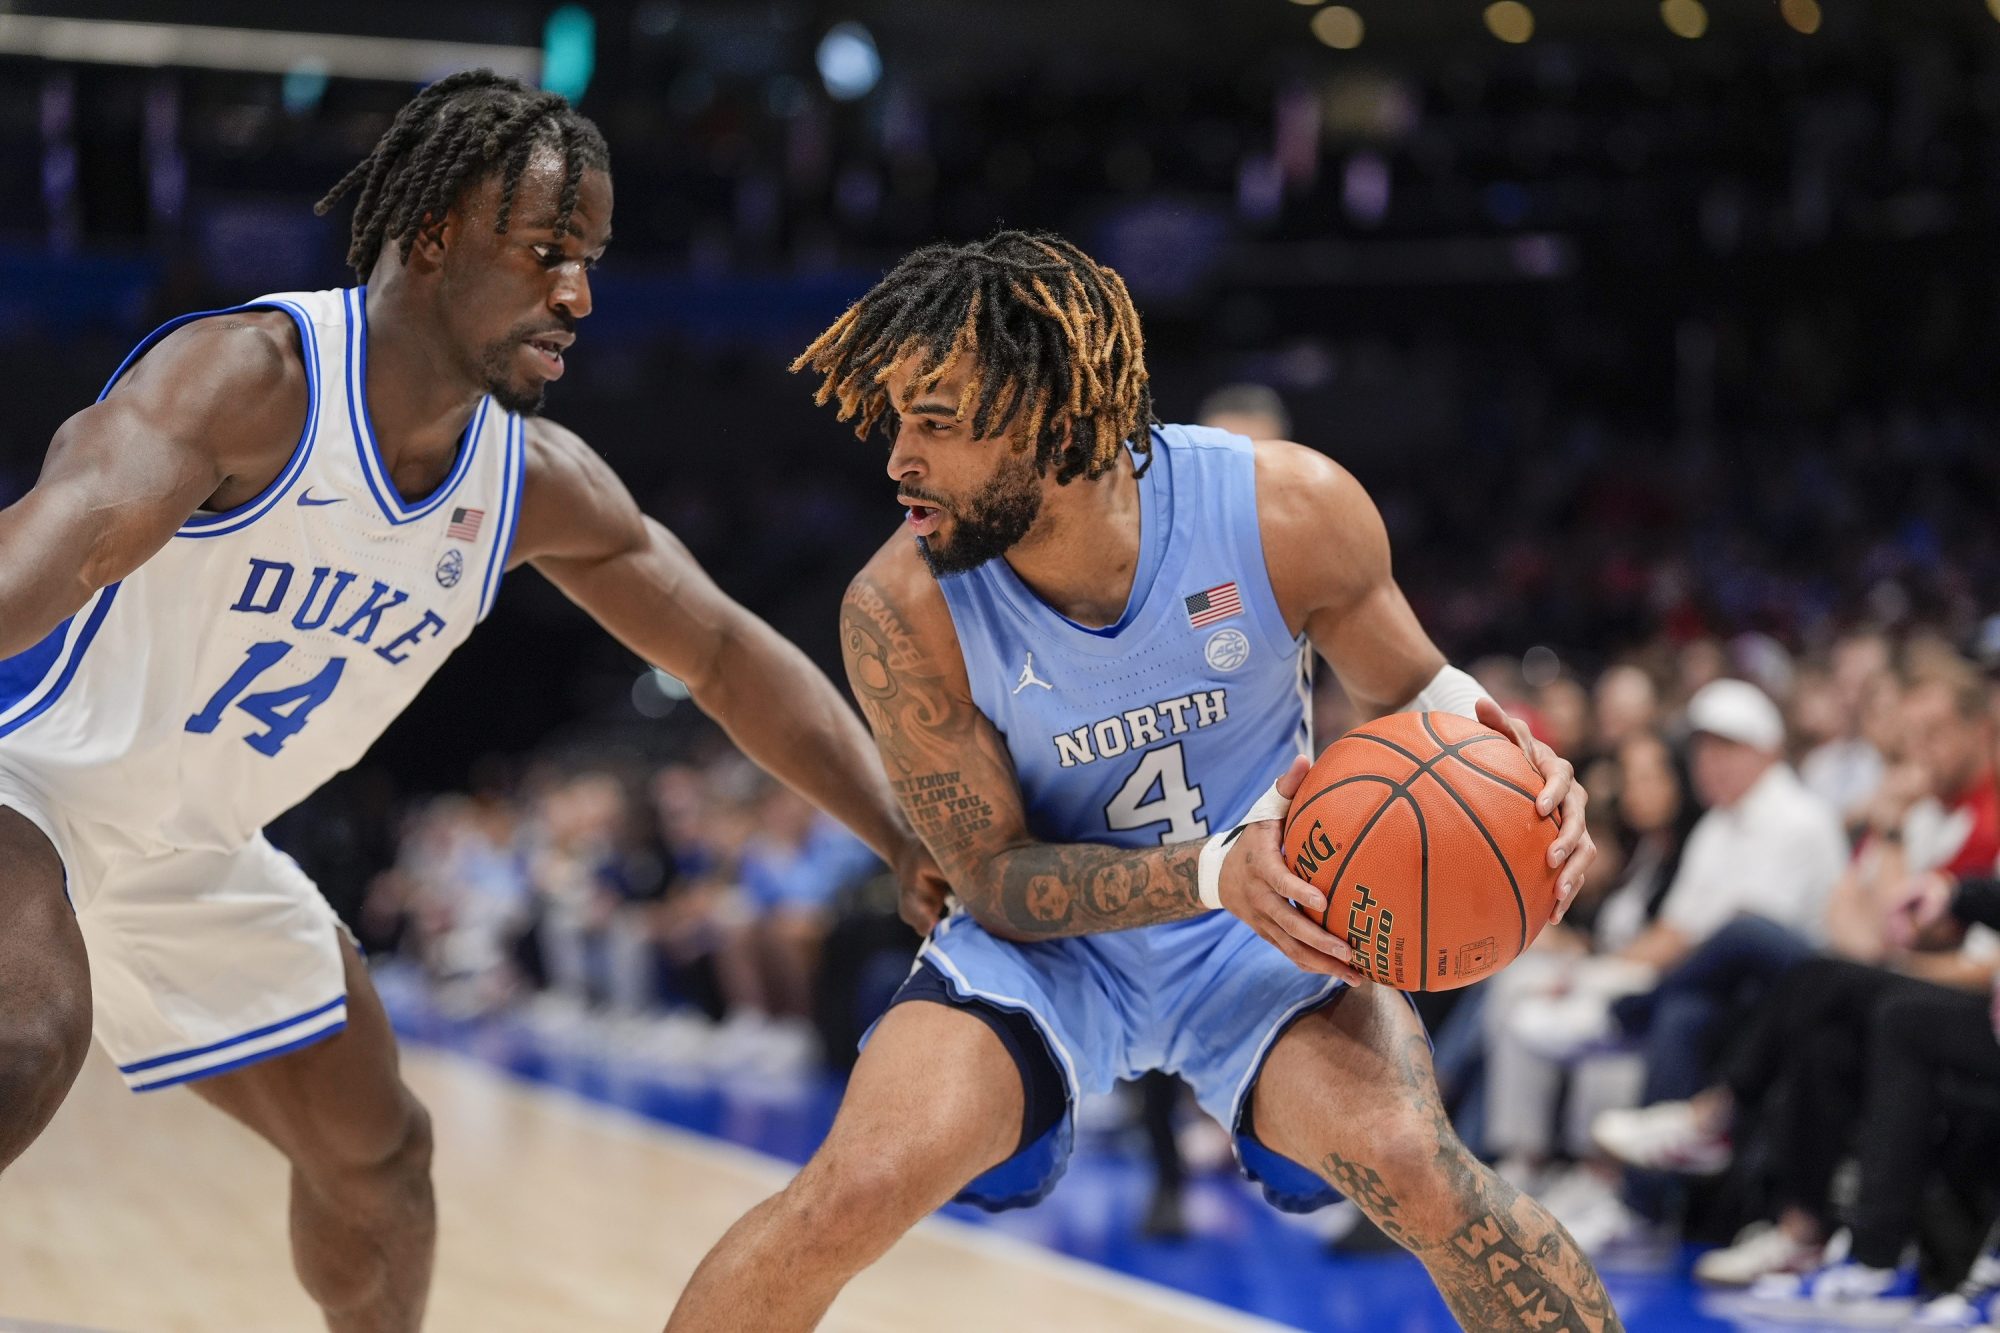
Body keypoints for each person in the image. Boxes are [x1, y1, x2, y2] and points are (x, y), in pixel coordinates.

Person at [0, 71, 939, 1332]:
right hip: (30, 786)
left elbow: (722, 653)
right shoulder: (246, 380)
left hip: (198, 847)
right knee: (23, 1037)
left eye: (589, 260)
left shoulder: (531, 482)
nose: (579, 296)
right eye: (549, 251)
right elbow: (47, 549)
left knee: (382, 1160)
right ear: (433, 233)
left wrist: (896, 830)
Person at [668, 231, 1623, 1332]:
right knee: (849, 1192)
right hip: (1053, 950)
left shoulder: (1283, 509)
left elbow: (1419, 696)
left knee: (1420, 1167)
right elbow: (994, 882)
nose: (897, 461)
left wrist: (1522, 770)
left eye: (934, 422)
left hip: (1272, 928)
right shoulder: (900, 608)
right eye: (897, 422)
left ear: (1048, 417)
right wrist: (1214, 872)